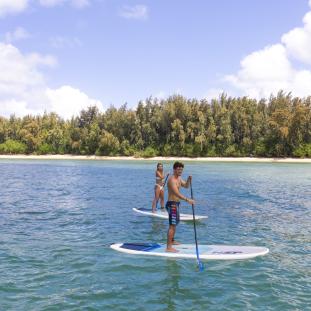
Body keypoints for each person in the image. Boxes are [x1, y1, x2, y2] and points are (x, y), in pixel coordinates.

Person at [166, 161, 195, 252]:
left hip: (176, 204)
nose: (180, 171)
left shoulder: (179, 178)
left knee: (175, 224)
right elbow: (176, 193)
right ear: (174, 169)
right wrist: (188, 200)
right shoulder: (171, 180)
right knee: (172, 225)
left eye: (181, 169)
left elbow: (186, 186)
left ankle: (172, 241)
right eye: (178, 169)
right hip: (172, 204)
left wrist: (189, 180)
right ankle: (168, 247)